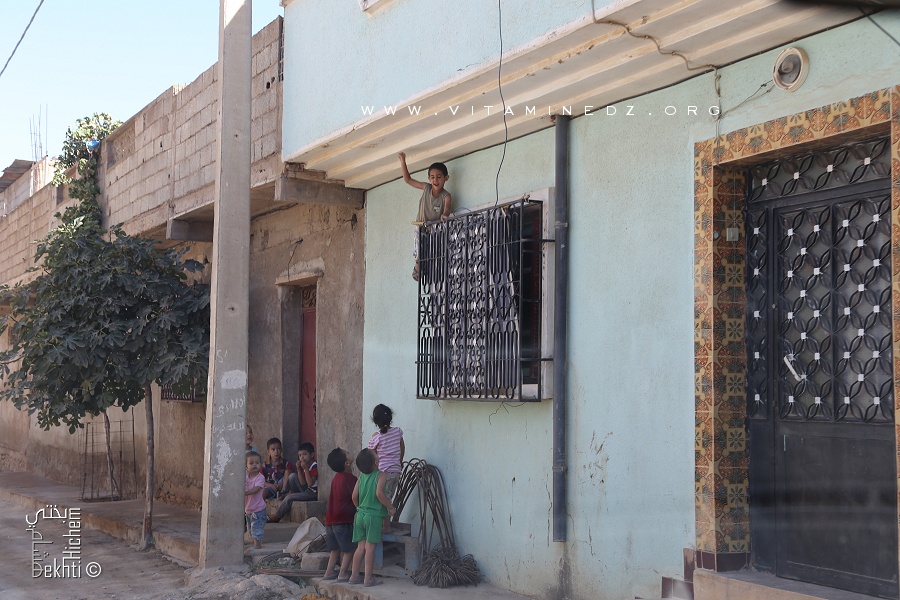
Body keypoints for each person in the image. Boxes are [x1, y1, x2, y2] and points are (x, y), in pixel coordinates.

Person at [398, 152, 452, 281]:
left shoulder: (446, 196)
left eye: (439, 177)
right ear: (429, 179)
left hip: (434, 229)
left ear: (446, 178)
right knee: (419, 251)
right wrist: (403, 162)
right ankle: (417, 268)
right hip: (420, 226)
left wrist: (444, 215)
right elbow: (408, 180)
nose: (435, 180)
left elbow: (447, 209)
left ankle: (428, 271)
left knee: (432, 252)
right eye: (432, 177)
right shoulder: (426, 188)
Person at [348, 448, 396, 587]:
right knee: (370, 548)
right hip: (373, 517)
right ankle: (368, 579)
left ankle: (354, 576)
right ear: (376, 462)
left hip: (360, 516)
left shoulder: (361, 476)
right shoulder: (381, 475)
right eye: (376, 453)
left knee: (360, 548)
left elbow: (353, 497)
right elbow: (380, 494)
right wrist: (390, 508)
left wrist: (359, 508)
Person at [321, 448, 358, 582]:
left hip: (330, 521)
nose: (350, 451)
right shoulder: (350, 479)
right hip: (343, 521)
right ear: (347, 464)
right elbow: (356, 496)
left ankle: (329, 572)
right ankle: (342, 574)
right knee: (349, 549)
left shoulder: (336, 479)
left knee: (335, 549)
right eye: (347, 452)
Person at [367, 403, 404, 531]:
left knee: (383, 498)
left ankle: (385, 526)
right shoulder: (397, 432)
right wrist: (399, 461)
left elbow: (370, 455)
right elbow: (402, 447)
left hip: (383, 473)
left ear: (375, 421)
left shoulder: (376, 437)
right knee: (388, 496)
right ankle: (384, 525)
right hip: (396, 471)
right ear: (390, 417)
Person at [270, 442, 318, 523]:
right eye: (300, 455)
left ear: (312, 454)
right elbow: (302, 483)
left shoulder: (314, 465)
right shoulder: (305, 464)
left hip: (312, 493)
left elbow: (310, 484)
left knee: (289, 498)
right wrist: (299, 469)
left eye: (305, 454)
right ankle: (284, 492)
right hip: (306, 489)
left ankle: (278, 516)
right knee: (292, 476)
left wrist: (306, 469)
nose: (302, 457)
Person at [244, 451, 266, 549]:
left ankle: (258, 545)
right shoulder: (245, 475)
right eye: (251, 463)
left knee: (256, 528)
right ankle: (255, 542)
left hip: (258, 509)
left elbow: (257, 489)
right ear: (246, 466)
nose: (254, 465)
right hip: (248, 509)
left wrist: (246, 493)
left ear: (261, 464)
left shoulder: (260, 477)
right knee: (250, 529)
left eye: (257, 463)